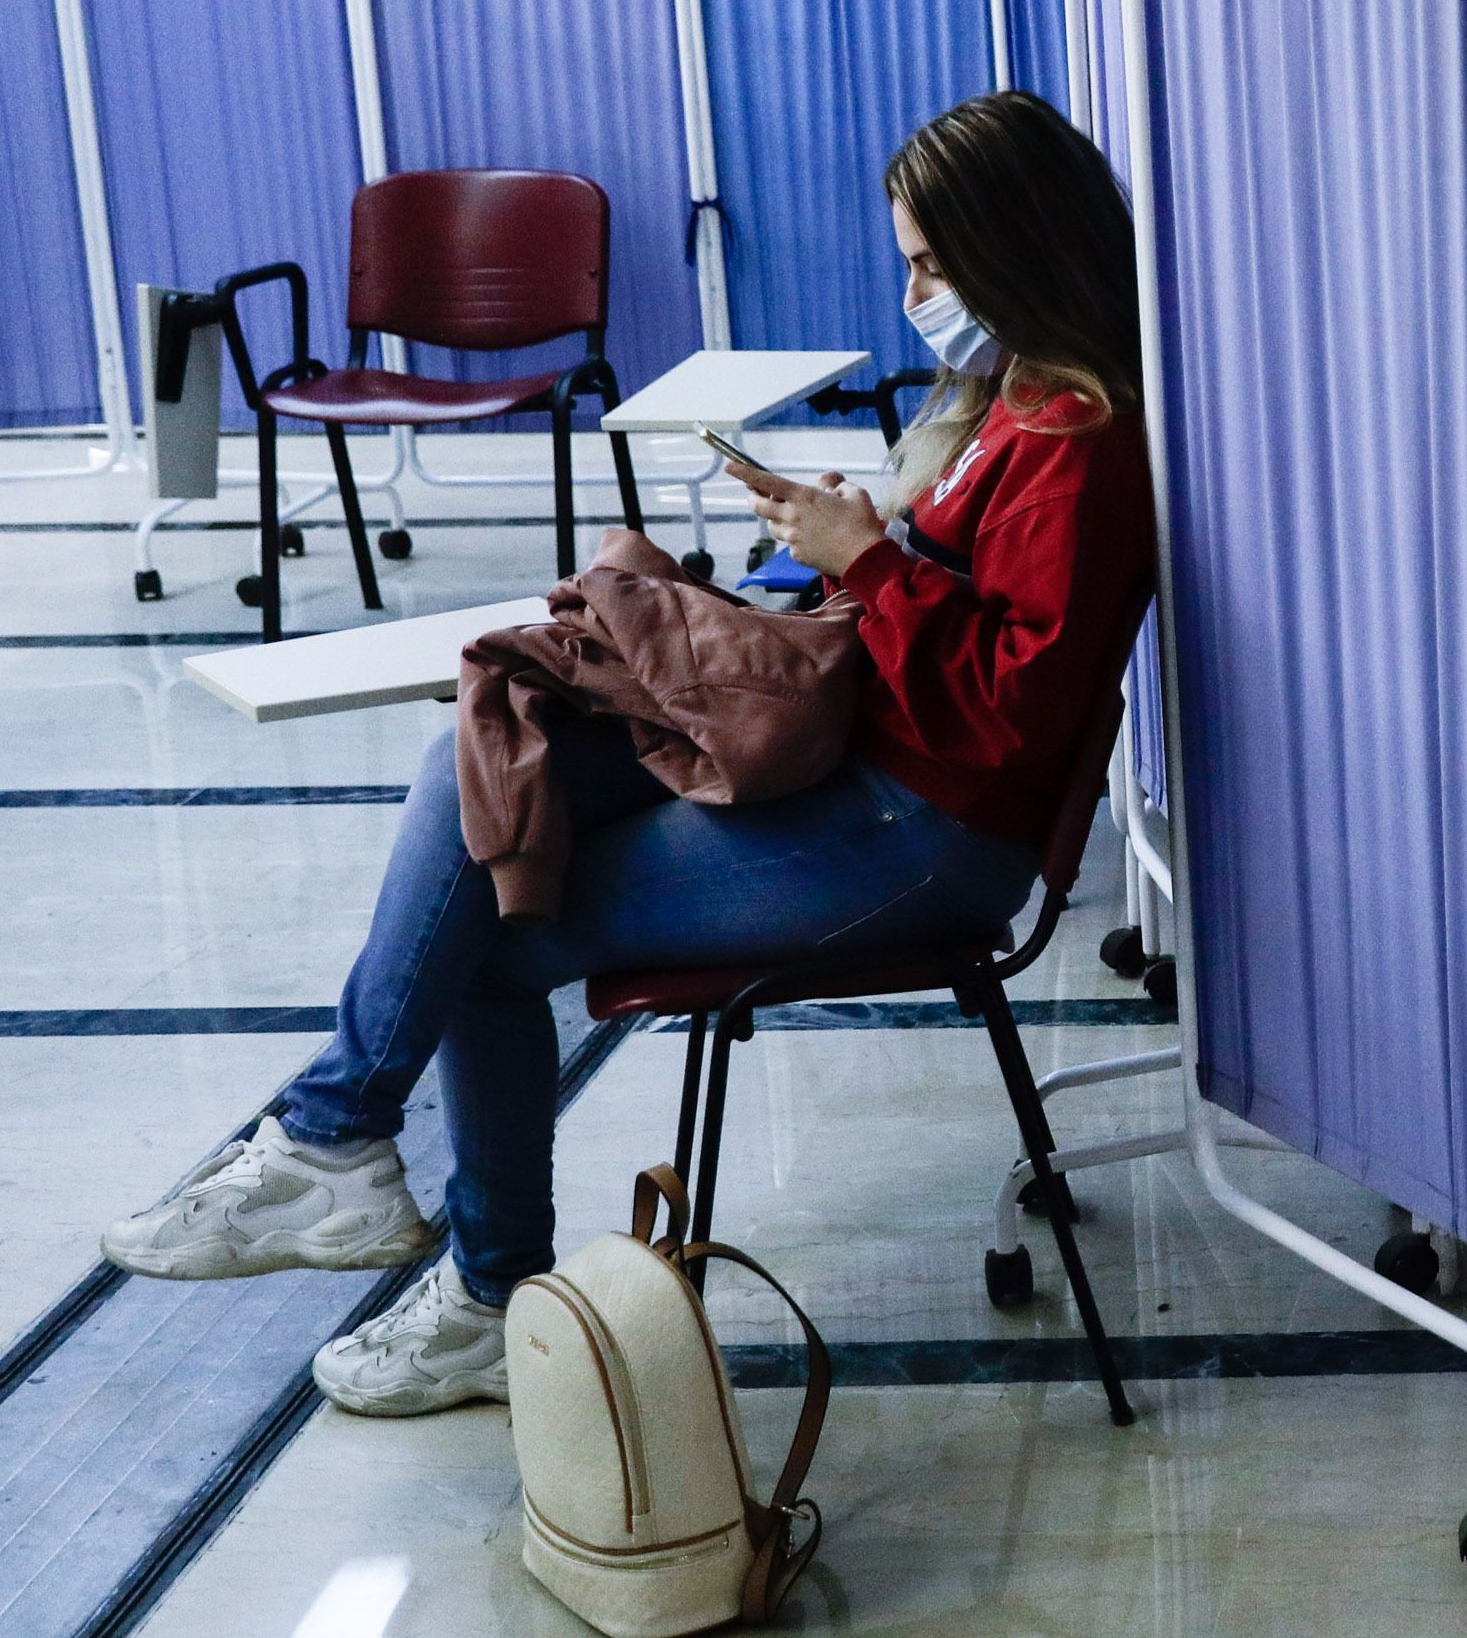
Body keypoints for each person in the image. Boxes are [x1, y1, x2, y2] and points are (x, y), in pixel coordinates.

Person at [101, 92, 1160, 1419]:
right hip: (867, 761)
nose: (915, 297)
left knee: (496, 930)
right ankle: (339, 1141)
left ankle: (460, 1266)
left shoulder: (1077, 441)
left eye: (934, 266)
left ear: (1019, 245)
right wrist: (854, 545)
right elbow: (957, 615)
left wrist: (872, 563)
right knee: (498, 745)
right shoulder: (1014, 403)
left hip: (927, 831)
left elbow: (1007, 717)